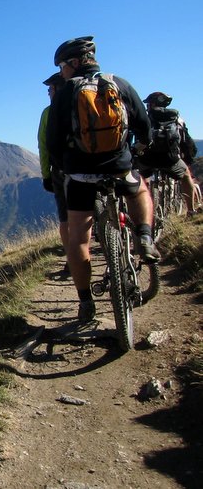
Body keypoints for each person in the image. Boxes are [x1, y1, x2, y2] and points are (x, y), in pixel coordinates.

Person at [46, 36, 158, 323]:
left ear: (73, 62)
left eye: (61, 66)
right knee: (140, 191)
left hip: (81, 175)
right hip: (119, 167)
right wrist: (137, 150)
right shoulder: (118, 83)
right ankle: (144, 236)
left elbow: (53, 141)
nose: (61, 72)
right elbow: (144, 125)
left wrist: (62, 168)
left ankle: (85, 302)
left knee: (78, 240)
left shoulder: (66, 92)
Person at [135, 91, 198, 215]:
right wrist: (189, 158)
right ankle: (191, 210)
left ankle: (141, 210)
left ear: (151, 104)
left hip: (147, 159)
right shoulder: (175, 118)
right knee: (186, 175)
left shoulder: (143, 118)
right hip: (170, 159)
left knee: (141, 178)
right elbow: (187, 142)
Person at [38, 72, 69, 275]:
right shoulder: (83, 105)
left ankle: (72, 258)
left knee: (67, 219)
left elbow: (44, 145)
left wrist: (46, 175)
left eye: (50, 89)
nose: (48, 93)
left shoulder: (50, 112)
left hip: (64, 171)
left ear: (57, 89)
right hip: (101, 166)